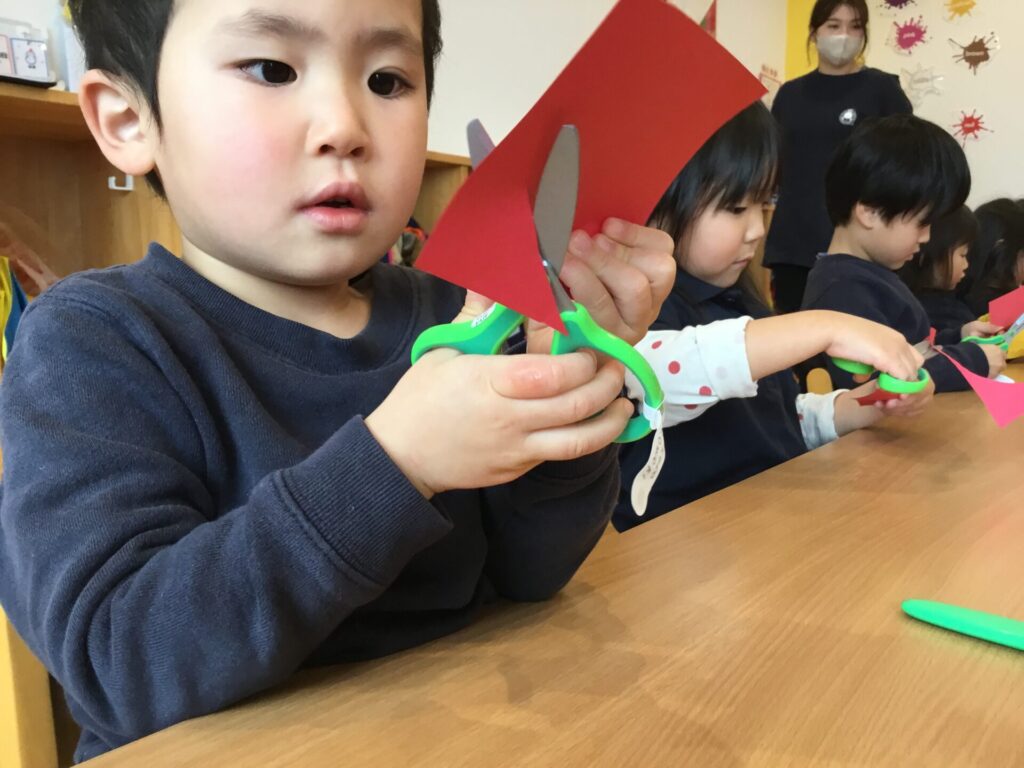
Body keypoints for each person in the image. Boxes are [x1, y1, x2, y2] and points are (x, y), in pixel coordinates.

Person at [0, 0, 677, 760]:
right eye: (271, 69)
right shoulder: (91, 342)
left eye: (387, 80)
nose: (344, 126)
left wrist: (563, 398)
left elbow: (531, 576)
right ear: (129, 119)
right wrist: (397, 463)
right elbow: (117, 664)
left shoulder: (455, 313)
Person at [614, 103, 929, 529]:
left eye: (764, 205)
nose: (759, 229)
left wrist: (861, 407)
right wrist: (825, 326)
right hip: (687, 541)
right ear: (657, 203)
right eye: (736, 208)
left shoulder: (737, 300)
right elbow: (659, 377)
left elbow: (775, 419)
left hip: (771, 521)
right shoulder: (629, 318)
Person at [802, 114, 1005, 392]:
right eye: (922, 223)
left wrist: (958, 335)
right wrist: (970, 362)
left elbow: (912, 348)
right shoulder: (842, 291)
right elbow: (880, 383)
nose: (926, 237)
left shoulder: (870, 274)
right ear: (870, 212)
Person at [764, 0, 911, 313]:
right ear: (815, 32)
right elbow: (773, 162)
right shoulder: (790, 94)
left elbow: (906, 166)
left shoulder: (883, 90)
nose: (844, 35)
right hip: (793, 243)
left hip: (859, 248)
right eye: (833, 25)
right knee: (793, 335)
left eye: (854, 26)